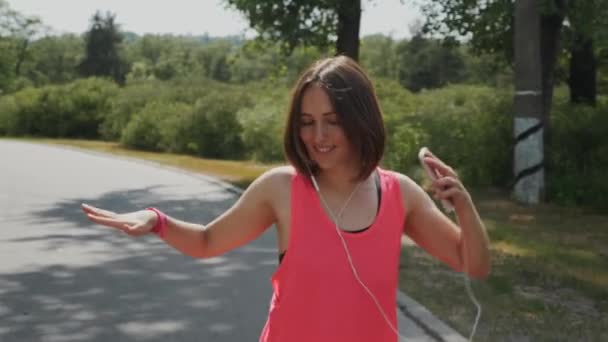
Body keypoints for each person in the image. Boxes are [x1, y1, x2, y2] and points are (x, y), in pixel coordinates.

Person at [81, 55, 491, 342]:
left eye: (333, 122)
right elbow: (207, 241)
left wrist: (464, 207)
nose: (318, 137)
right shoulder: (281, 188)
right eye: (307, 123)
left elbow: (474, 265)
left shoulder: (399, 192)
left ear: (360, 121)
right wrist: (158, 221)